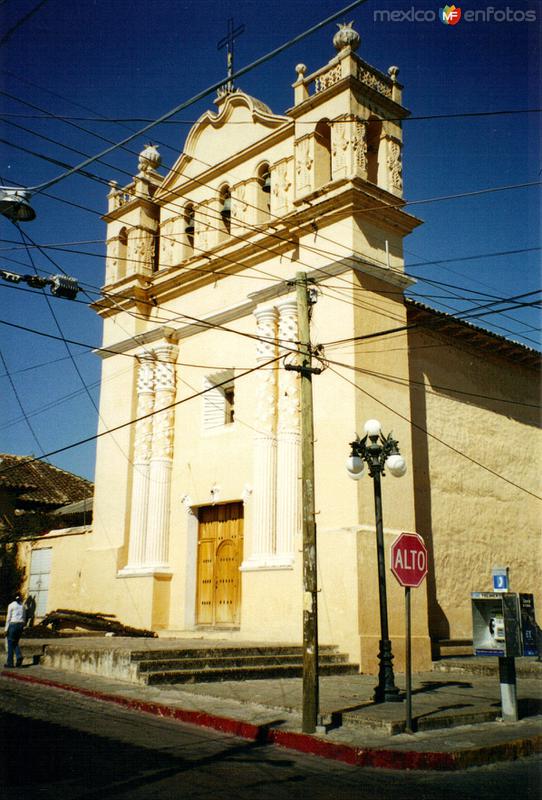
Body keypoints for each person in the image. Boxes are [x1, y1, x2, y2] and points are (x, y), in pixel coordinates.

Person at [4, 593, 26, 668]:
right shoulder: (23, 606)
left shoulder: (11, 605)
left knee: (10, 644)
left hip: (13, 625)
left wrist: (6, 629)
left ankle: (10, 663)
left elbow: (8, 617)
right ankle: (19, 656)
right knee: (15, 642)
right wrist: (23, 625)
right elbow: (24, 616)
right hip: (20, 625)